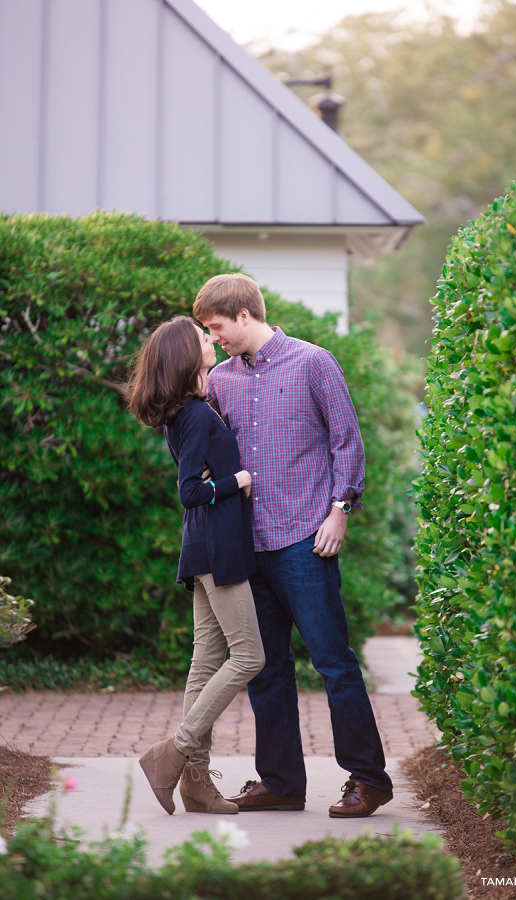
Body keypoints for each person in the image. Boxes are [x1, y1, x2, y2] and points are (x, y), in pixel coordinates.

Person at [193, 273, 393, 818]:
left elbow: (346, 441)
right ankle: (281, 783)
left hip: (306, 540)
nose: (214, 340)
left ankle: (368, 780)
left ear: (243, 315)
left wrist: (341, 511)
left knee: (333, 662)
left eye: (216, 328)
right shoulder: (222, 381)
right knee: (267, 668)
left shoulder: (313, 362)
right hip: (246, 546)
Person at [127, 315, 265, 816]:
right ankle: (174, 754)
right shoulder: (197, 415)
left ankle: (196, 785)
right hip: (219, 548)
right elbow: (190, 493)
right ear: (188, 356)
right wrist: (239, 479)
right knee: (250, 657)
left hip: (205, 547)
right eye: (203, 337)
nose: (211, 341)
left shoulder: (187, 412)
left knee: (206, 661)